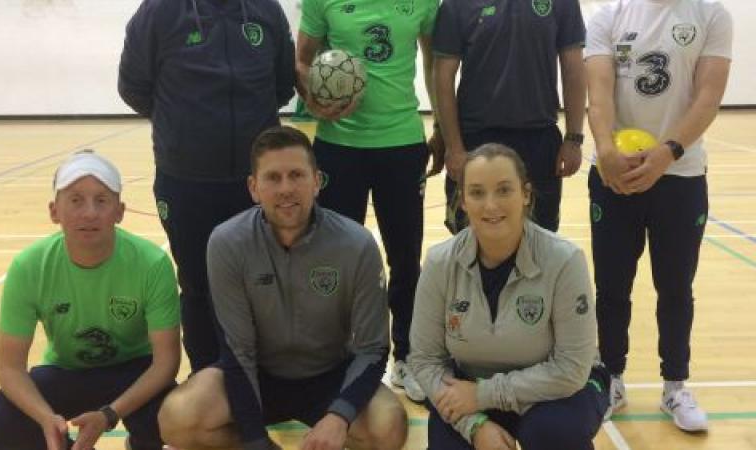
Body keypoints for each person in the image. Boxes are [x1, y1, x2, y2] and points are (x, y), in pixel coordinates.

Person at [157, 126, 407, 450]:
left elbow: (373, 349)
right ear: (253, 187)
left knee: (389, 427)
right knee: (177, 417)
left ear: (317, 181)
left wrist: (339, 416)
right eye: (273, 178)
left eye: (297, 175)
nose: (286, 188)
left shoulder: (355, 244)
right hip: (257, 375)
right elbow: (237, 351)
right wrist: (255, 441)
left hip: (330, 374)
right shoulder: (227, 242)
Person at [118, 0, 296, 371]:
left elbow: (281, 86)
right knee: (197, 284)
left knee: (261, 282)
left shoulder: (266, 10)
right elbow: (133, 87)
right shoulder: (160, 11)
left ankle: (260, 375)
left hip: (254, 182)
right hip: (185, 179)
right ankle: (206, 375)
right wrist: (185, 122)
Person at [584, 0, 732, 432]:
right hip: (615, 175)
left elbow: (708, 97)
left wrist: (668, 153)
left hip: (680, 175)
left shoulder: (711, 15)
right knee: (611, 286)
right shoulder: (608, 16)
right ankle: (611, 378)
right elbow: (598, 94)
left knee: (675, 287)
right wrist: (606, 151)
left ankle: (675, 386)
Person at [0, 150, 181, 450]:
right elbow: (9, 368)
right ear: (54, 210)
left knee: (176, 420)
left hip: (134, 370)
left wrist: (109, 415)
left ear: (120, 211)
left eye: (101, 200)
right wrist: (47, 419)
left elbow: (165, 363)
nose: (89, 213)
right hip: (66, 372)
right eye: (75, 200)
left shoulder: (151, 263)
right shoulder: (29, 266)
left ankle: (142, 441)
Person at [409, 145, 608, 450]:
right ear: (463, 201)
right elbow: (425, 361)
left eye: (504, 190)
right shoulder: (439, 263)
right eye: (477, 193)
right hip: (468, 387)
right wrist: (474, 425)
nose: (490, 205)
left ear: (525, 194)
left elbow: (571, 368)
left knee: (551, 432)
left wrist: (483, 395)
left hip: (557, 390)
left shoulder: (565, 260)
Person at [294, 0, 439, 403]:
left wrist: (441, 126)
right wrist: (315, 100)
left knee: (405, 257)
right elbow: (302, 62)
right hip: (339, 147)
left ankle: (407, 357)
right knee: (332, 260)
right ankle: (334, 358)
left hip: (402, 142)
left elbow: (432, 65)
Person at [434, 0, 587, 234]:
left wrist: (574, 138)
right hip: (475, 142)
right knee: (469, 240)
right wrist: (454, 148)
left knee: (540, 243)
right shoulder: (456, 5)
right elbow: (442, 76)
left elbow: (573, 68)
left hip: (539, 142)